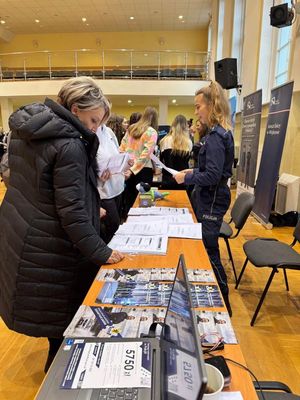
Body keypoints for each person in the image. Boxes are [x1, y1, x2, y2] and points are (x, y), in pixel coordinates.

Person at [0, 76, 124, 373]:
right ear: (75, 108)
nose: (94, 128)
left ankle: (57, 365)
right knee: (66, 318)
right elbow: (70, 212)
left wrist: (93, 209)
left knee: (53, 322)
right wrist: (103, 252)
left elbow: (36, 187)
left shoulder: (27, 130)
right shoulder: (70, 144)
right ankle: (60, 377)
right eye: (93, 120)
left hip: (24, 236)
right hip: (51, 245)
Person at [174, 81, 234, 316]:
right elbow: (208, 170)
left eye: (199, 106)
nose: (196, 111)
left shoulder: (218, 136)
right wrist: (192, 173)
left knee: (209, 250)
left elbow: (212, 175)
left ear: (212, 105)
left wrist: (188, 178)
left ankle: (224, 305)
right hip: (208, 195)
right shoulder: (213, 134)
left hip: (212, 198)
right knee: (204, 247)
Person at [96, 123, 132, 243]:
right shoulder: (89, 132)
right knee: (112, 227)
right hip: (103, 192)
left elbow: (117, 154)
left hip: (117, 187)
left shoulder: (108, 131)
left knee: (116, 227)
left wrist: (124, 167)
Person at [120, 106, 158, 216]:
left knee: (129, 201)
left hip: (128, 169)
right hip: (144, 171)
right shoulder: (152, 132)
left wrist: (125, 168)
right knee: (144, 203)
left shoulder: (131, 129)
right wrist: (133, 169)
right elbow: (146, 154)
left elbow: (121, 149)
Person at [159, 114, 192, 189]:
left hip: (167, 180)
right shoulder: (188, 142)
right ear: (185, 127)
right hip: (182, 180)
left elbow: (162, 160)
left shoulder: (164, 140)